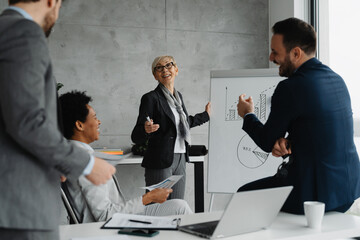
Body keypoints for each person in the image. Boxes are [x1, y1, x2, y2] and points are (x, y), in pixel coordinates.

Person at [0, 1, 116, 239]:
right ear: (52, 2)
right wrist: (86, 164)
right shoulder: (24, 33)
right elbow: (27, 120)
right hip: (22, 203)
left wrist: (53, 161)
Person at [236, 17, 360, 214]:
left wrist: (247, 114)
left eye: (275, 52)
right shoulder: (338, 80)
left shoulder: (290, 88)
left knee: (243, 196)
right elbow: (323, 129)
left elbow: (266, 142)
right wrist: (291, 142)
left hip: (314, 195)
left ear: (295, 53)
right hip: (348, 190)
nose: (270, 58)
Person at [59, 91, 193, 223]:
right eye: (94, 117)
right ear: (79, 125)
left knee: (179, 206)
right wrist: (148, 198)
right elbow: (104, 215)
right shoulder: (85, 161)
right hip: (108, 226)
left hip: (117, 218)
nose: (99, 122)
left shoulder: (72, 154)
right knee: (179, 208)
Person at [131, 55, 211, 200]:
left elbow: (184, 123)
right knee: (157, 207)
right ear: (155, 75)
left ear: (176, 69)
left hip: (181, 157)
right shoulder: (151, 98)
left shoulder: (178, 97)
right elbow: (136, 136)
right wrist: (145, 129)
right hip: (160, 160)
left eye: (169, 65)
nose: (164, 70)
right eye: (159, 68)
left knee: (178, 204)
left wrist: (206, 115)